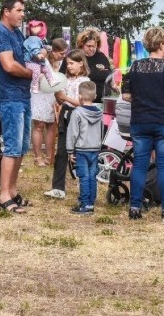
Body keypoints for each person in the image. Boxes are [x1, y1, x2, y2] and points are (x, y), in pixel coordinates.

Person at [121, 26, 164, 222]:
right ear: (160, 45)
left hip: (140, 122)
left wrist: (143, 100)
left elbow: (125, 95)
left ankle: (134, 207)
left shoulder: (134, 66)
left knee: (139, 165)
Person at [0, 0, 33, 214]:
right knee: (12, 147)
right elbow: (9, 65)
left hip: (23, 95)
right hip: (9, 96)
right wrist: (32, 73)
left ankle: (13, 191)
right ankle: (3, 195)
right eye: (19, 10)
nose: (23, 14)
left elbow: (26, 57)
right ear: (7, 11)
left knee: (22, 147)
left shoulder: (16, 33)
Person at [45, 48, 90, 199]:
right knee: (62, 152)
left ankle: (84, 185)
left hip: (79, 117)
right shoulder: (65, 80)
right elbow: (60, 99)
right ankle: (58, 188)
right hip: (66, 114)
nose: (69, 66)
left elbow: (82, 103)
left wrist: (65, 98)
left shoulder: (85, 82)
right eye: (67, 64)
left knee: (79, 152)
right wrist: (58, 96)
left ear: (81, 64)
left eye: (72, 63)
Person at [66, 81, 103, 215]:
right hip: (95, 148)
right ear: (95, 96)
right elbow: (101, 131)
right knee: (92, 176)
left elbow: (72, 133)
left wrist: (70, 151)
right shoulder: (99, 113)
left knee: (84, 177)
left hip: (82, 150)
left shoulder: (77, 113)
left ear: (80, 96)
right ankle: (91, 202)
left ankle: (84, 204)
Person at [29, 37, 66, 167]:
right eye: (61, 53)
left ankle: (50, 156)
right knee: (39, 125)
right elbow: (36, 74)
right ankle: (38, 157)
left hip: (54, 94)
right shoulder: (42, 60)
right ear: (54, 51)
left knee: (52, 126)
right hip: (40, 93)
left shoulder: (62, 64)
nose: (63, 56)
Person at [77, 27, 113, 103]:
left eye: (94, 46)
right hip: (82, 101)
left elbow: (109, 74)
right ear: (82, 44)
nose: (92, 49)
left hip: (102, 100)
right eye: (89, 46)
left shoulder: (101, 56)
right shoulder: (76, 56)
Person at [23, 20, 59, 94]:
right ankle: (35, 85)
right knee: (36, 70)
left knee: (46, 68)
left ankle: (51, 81)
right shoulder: (34, 39)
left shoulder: (37, 39)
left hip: (36, 61)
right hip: (30, 62)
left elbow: (40, 46)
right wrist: (37, 54)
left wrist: (46, 47)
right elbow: (34, 48)